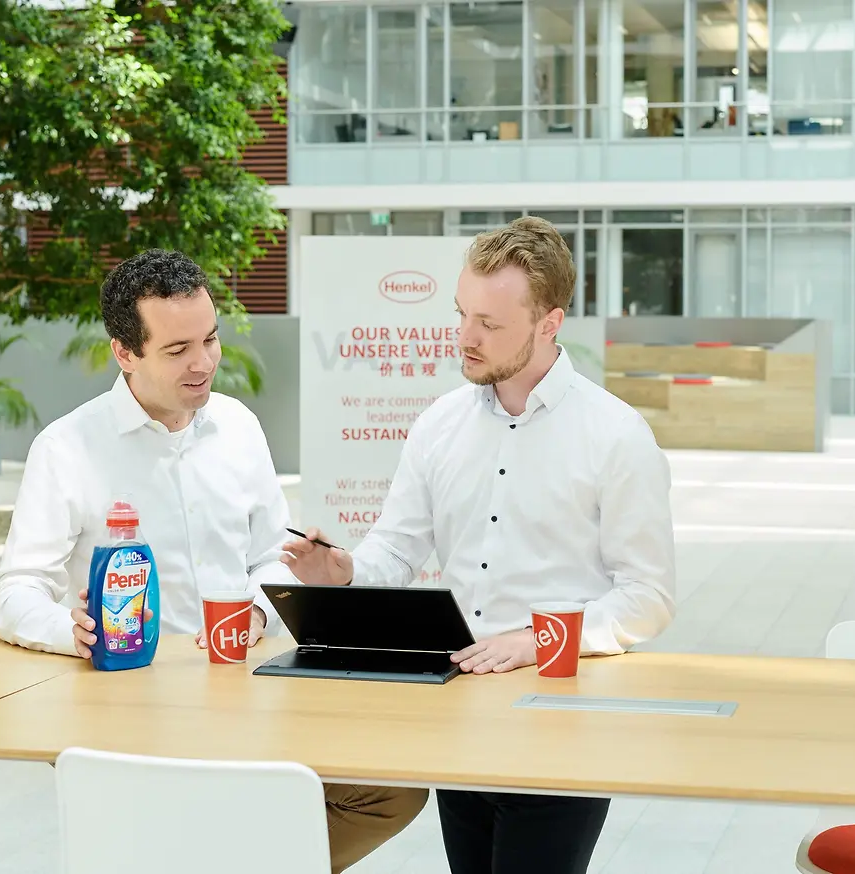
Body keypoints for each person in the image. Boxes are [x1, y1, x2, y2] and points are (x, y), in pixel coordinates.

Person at [0, 249, 426, 873]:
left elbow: (273, 559)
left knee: (392, 791)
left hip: (245, 696)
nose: (203, 364)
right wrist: (74, 631)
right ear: (124, 353)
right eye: (177, 351)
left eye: (211, 339)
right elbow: (15, 592)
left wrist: (255, 611)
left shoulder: (240, 427)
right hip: (131, 711)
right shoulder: (66, 448)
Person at [280, 218, 676, 874]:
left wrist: (537, 637)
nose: (465, 336)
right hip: (458, 707)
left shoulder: (617, 437)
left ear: (549, 323)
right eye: (462, 313)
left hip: (563, 719)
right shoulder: (438, 425)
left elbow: (649, 596)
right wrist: (343, 568)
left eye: (489, 323)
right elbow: (397, 549)